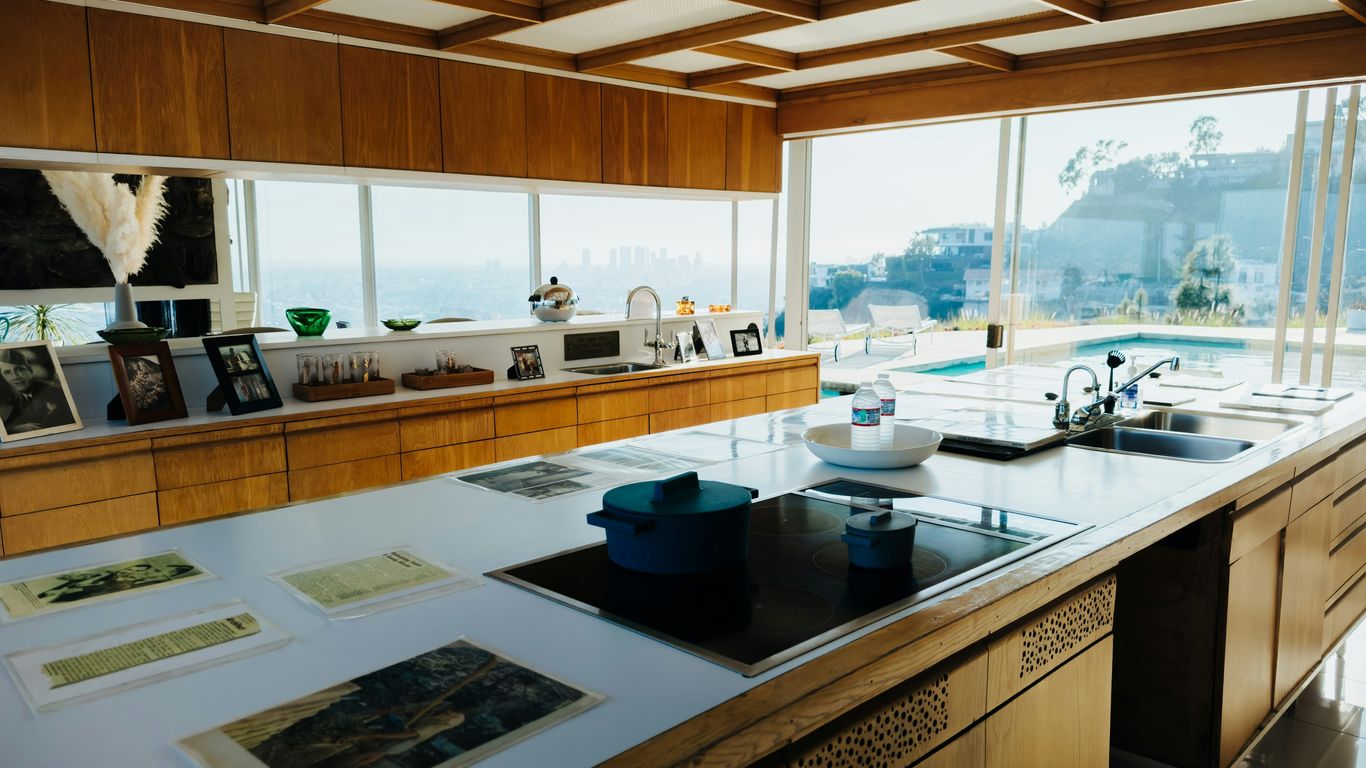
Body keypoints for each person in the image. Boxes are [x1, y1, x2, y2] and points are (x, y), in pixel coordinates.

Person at [0, 348, 74, 434]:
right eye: (7, 372)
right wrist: (14, 429)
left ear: (30, 371)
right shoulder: (13, 402)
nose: (15, 376)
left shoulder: (54, 392)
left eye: (19, 369)